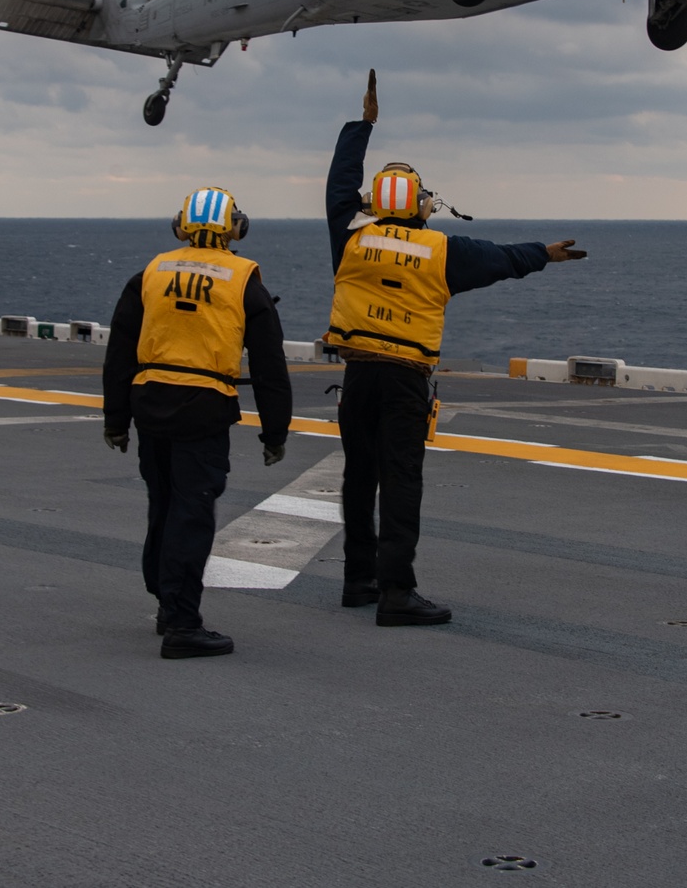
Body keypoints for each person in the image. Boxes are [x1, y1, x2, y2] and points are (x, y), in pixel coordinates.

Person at [326, 71, 586, 627]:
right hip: (403, 381)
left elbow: (338, 183)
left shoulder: (350, 236)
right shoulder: (442, 250)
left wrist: (363, 125)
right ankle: (397, 592)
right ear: (420, 203)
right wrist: (546, 253)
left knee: (358, 476)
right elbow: (502, 258)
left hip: (358, 380)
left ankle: (357, 579)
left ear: (373, 203)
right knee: (401, 479)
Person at [103, 187, 291, 659]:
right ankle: (183, 624)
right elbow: (269, 365)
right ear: (236, 229)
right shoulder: (243, 280)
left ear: (180, 224)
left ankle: (167, 603)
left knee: (162, 504)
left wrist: (116, 421)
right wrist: (275, 432)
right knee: (192, 513)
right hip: (204, 409)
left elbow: (120, 352)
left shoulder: (151, 272)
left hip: (149, 404)